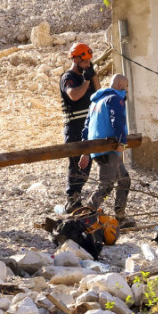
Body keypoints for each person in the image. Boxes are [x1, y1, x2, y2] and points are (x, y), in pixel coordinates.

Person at [78, 74, 135, 227]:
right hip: (109, 149)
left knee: (124, 180)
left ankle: (120, 217)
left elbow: (86, 127)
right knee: (106, 186)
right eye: (127, 86)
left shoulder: (96, 101)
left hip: (97, 150)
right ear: (121, 85)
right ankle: (86, 217)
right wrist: (122, 141)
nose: (127, 90)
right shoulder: (115, 98)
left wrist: (86, 151)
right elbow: (117, 120)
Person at [60, 42, 100, 213]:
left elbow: (98, 92)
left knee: (86, 165)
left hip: (88, 127)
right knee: (76, 165)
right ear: (75, 59)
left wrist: (93, 76)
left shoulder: (86, 76)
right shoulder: (68, 78)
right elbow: (74, 95)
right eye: (85, 62)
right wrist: (85, 81)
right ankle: (72, 199)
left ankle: (77, 199)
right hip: (75, 127)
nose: (87, 65)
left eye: (89, 62)